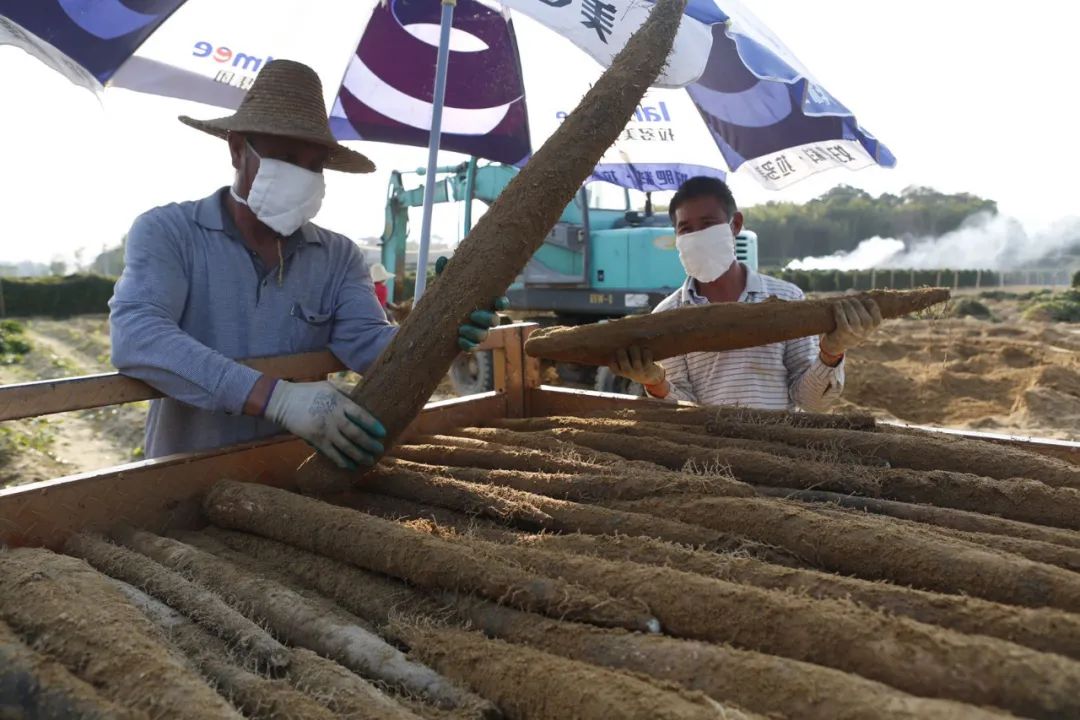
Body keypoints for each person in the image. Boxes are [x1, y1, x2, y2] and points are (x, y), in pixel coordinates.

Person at [109, 59, 507, 470]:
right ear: (236, 149)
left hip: (296, 476)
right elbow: (139, 336)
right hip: (181, 476)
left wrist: (439, 327)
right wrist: (275, 397)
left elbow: (368, 345)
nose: (301, 175)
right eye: (284, 157)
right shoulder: (171, 232)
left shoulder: (337, 256)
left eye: (313, 165)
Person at [609, 176, 881, 412]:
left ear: (735, 224)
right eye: (686, 229)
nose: (697, 236)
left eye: (707, 224)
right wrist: (656, 383)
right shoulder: (667, 316)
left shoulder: (787, 298)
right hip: (708, 456)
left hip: (778, 451)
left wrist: (830, 354)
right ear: (676, 236)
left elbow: (810, 402)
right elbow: (681, 411)